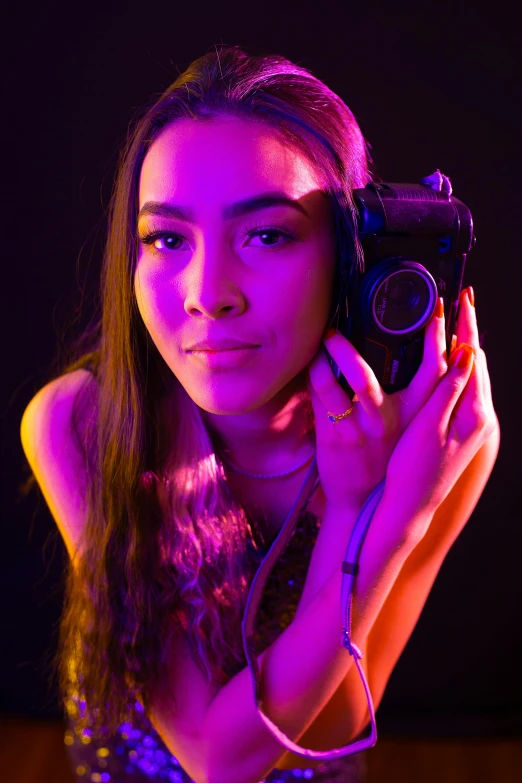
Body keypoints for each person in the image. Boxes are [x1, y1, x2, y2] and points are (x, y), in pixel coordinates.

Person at [19, 46, 500, 783]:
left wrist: (391, 493)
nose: (209, 293)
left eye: (267, 234)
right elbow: (219, 755)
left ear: (350, 253)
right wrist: (367, 512)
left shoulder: (436, 438)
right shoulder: (82, 426)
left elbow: (335, 727)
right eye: (168, 238)